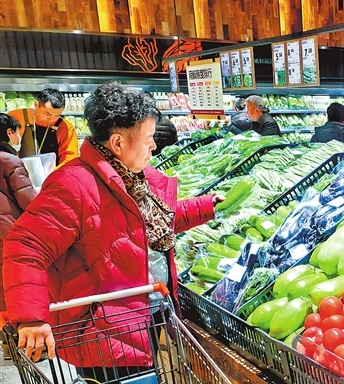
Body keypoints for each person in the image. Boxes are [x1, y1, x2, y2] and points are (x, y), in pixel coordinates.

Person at [2, 81, 223, 367]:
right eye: (148, 138)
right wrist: (31, 318)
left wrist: (206, 206)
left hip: (138, 319)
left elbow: (150, 223)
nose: (154, 146)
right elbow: (25, 246)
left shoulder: (134, 179)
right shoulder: (73, 184)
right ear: (118, 143)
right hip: (101, 334)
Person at [0, 114, 37, 359]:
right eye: (17, 131)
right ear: (9, 133)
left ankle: (7, 344)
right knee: (15, 287)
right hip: (8, 236)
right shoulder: (8, 160)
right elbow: (29, 201)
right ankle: (24, 345)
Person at [9, 88, 79, 166]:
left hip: (53, 172)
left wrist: (55, 173)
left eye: (57, 116)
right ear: (36, 105)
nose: (52, 119)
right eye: (47, 114)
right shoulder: (15, 117)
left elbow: (69, 159)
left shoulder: (66, 127)